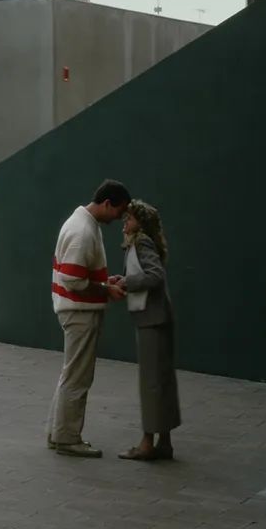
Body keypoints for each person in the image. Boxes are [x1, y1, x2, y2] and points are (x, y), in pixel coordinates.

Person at [46, 179, 131, 458]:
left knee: (71, 374)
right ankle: (68, 438)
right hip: (79, 312)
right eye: (120, 211)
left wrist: (104, 282)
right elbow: (72, 278)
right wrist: (107, 289)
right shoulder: (83, 230)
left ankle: (58, 434)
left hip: (75, 310)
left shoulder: (82, 223)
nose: (120, 217)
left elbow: (76, 274)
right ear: (108, 203)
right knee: (78, 378)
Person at [116, 198, 180, 462]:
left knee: (151, 383)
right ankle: (164, 441)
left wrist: (127, 282)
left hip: (151, 319)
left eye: (128, 219)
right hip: (157, 318)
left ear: (140, 223)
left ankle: (147, 443)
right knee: (161, 381)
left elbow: (154, 275)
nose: (124, 225)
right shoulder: (143, 242)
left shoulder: (141, 242)